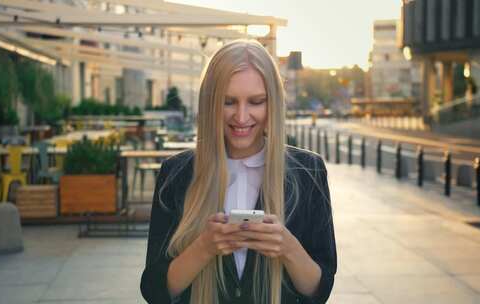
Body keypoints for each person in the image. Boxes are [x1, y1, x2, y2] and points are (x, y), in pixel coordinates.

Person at [140, 39, 336, 304]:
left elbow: (319, 289)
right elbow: (155, 291)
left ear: (273, 104)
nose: (242, 117)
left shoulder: (308, 171)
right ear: (210, 102)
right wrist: (204, 247)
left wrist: (287, 248)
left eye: (256, 102)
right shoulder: (176, 173)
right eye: (228, 101)